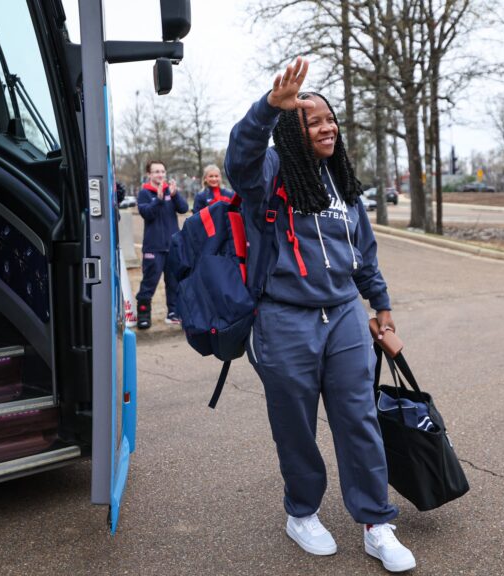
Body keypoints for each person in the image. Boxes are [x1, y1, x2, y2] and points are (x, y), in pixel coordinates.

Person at [224, 57, 415, 573]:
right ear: (294, 130)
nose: (327, 127)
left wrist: (383, 309)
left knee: (360, 418)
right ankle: (302, 513)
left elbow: (365, 255)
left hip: (345, 318)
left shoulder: (342, 184)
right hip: (284, 319)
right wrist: (268, 108)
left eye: (330, 119)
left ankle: (377, 523)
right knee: (296, 426)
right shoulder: (270, 174)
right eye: (314, 121)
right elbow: (238, 159)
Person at [135, 160, 189, 328]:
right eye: (156, 171)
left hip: (172, 247)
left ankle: (173, 312)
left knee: (173, 282)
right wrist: (158, 199)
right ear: (149, 174)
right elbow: (147, 214)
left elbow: (183, 209)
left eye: (162, 171)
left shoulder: (170, 191)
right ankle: (144, 315)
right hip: (153, 247)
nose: (160, 174)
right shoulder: (144, 193)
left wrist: (175, 195)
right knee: (149, 282)